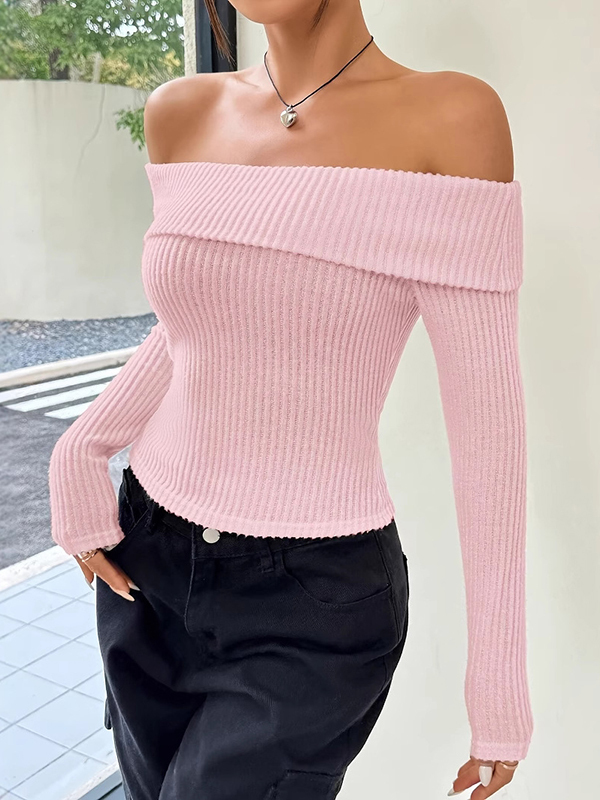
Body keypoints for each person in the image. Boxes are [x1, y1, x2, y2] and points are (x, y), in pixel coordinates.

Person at [47, 1, 534, 798]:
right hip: (147, 557)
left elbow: (488, 433)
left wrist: (499, 693)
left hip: (310, 601)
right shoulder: (180, 111)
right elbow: (200, 321)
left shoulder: (451, 118)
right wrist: (82, 447)